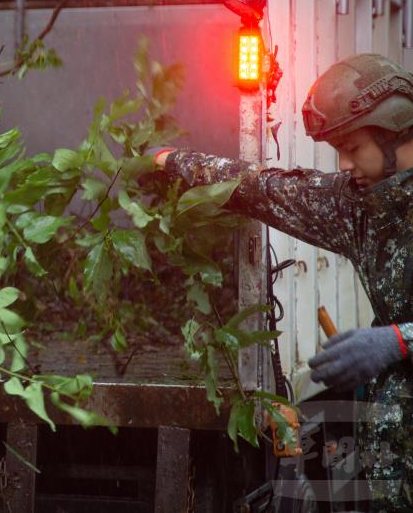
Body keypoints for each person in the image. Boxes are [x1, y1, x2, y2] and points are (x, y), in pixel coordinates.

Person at [152, 53, 413, 509]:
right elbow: (265, 189)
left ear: (394, 133)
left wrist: (400, 341)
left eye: (352, 149)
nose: (344, 164)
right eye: (338, 152)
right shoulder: (361, 208)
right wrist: (173, 163)